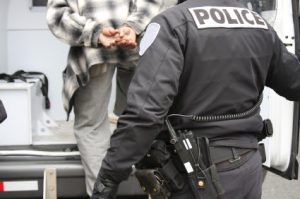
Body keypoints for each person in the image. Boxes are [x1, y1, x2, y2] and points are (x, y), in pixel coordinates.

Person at [91, 0, 300, 199]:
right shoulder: (258, 24)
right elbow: (294, 82)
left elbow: (145, 115)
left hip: (196, 176)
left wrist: (108, 179)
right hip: (247, 168)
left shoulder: (172, 24)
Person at [46, 0, 173, 196]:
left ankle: (102, 194)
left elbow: (57, 16)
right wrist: (132, 27)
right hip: (139, 46)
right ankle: (154, 187)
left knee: (91, 126)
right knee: (142, 121)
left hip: (92, 53)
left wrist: (95, 32)